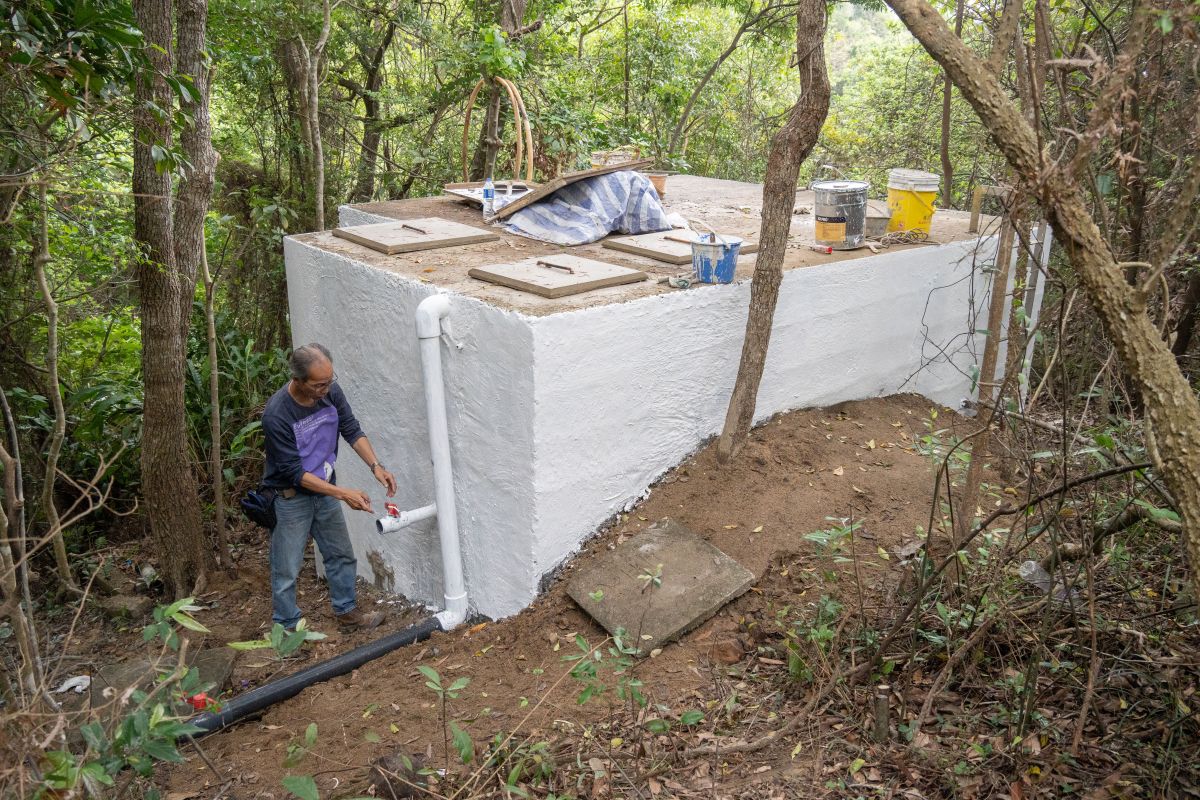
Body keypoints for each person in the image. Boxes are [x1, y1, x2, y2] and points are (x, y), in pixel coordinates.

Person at [261, 343, 397, 632]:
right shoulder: (277, 414)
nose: (325, 389)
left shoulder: (331, 392)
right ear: (298, 380)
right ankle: (286, 631)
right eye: (318, 385)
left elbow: (350, 428)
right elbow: (294, 473)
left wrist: (376, 466)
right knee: (286, 569)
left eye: (329, 381)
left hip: (325, 493)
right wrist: (343, 494)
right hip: (290, 499)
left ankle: (348, 614)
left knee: (340, 555)